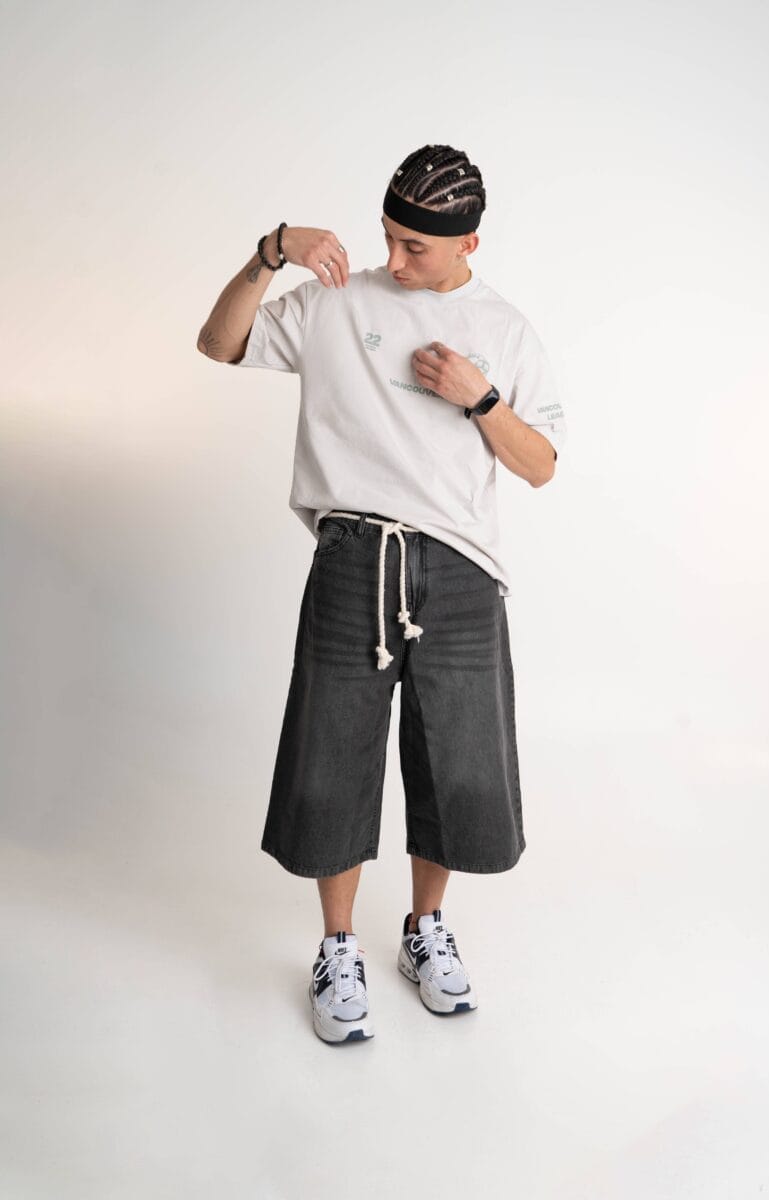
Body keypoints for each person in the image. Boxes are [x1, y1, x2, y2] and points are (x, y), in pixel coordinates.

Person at [197, 143, 567, 1044]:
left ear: (468, 243)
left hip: (462, 568)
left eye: (416, 248)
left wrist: (481, 400)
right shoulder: (335, 299)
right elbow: (219, 343)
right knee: (333, 754)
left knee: (458, 760)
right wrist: (271, 251)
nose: (394, 261)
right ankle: (337, 945)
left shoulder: (506, 330)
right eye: (389, 238)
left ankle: (424, 929)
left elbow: (542, 466)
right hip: (355, 554)